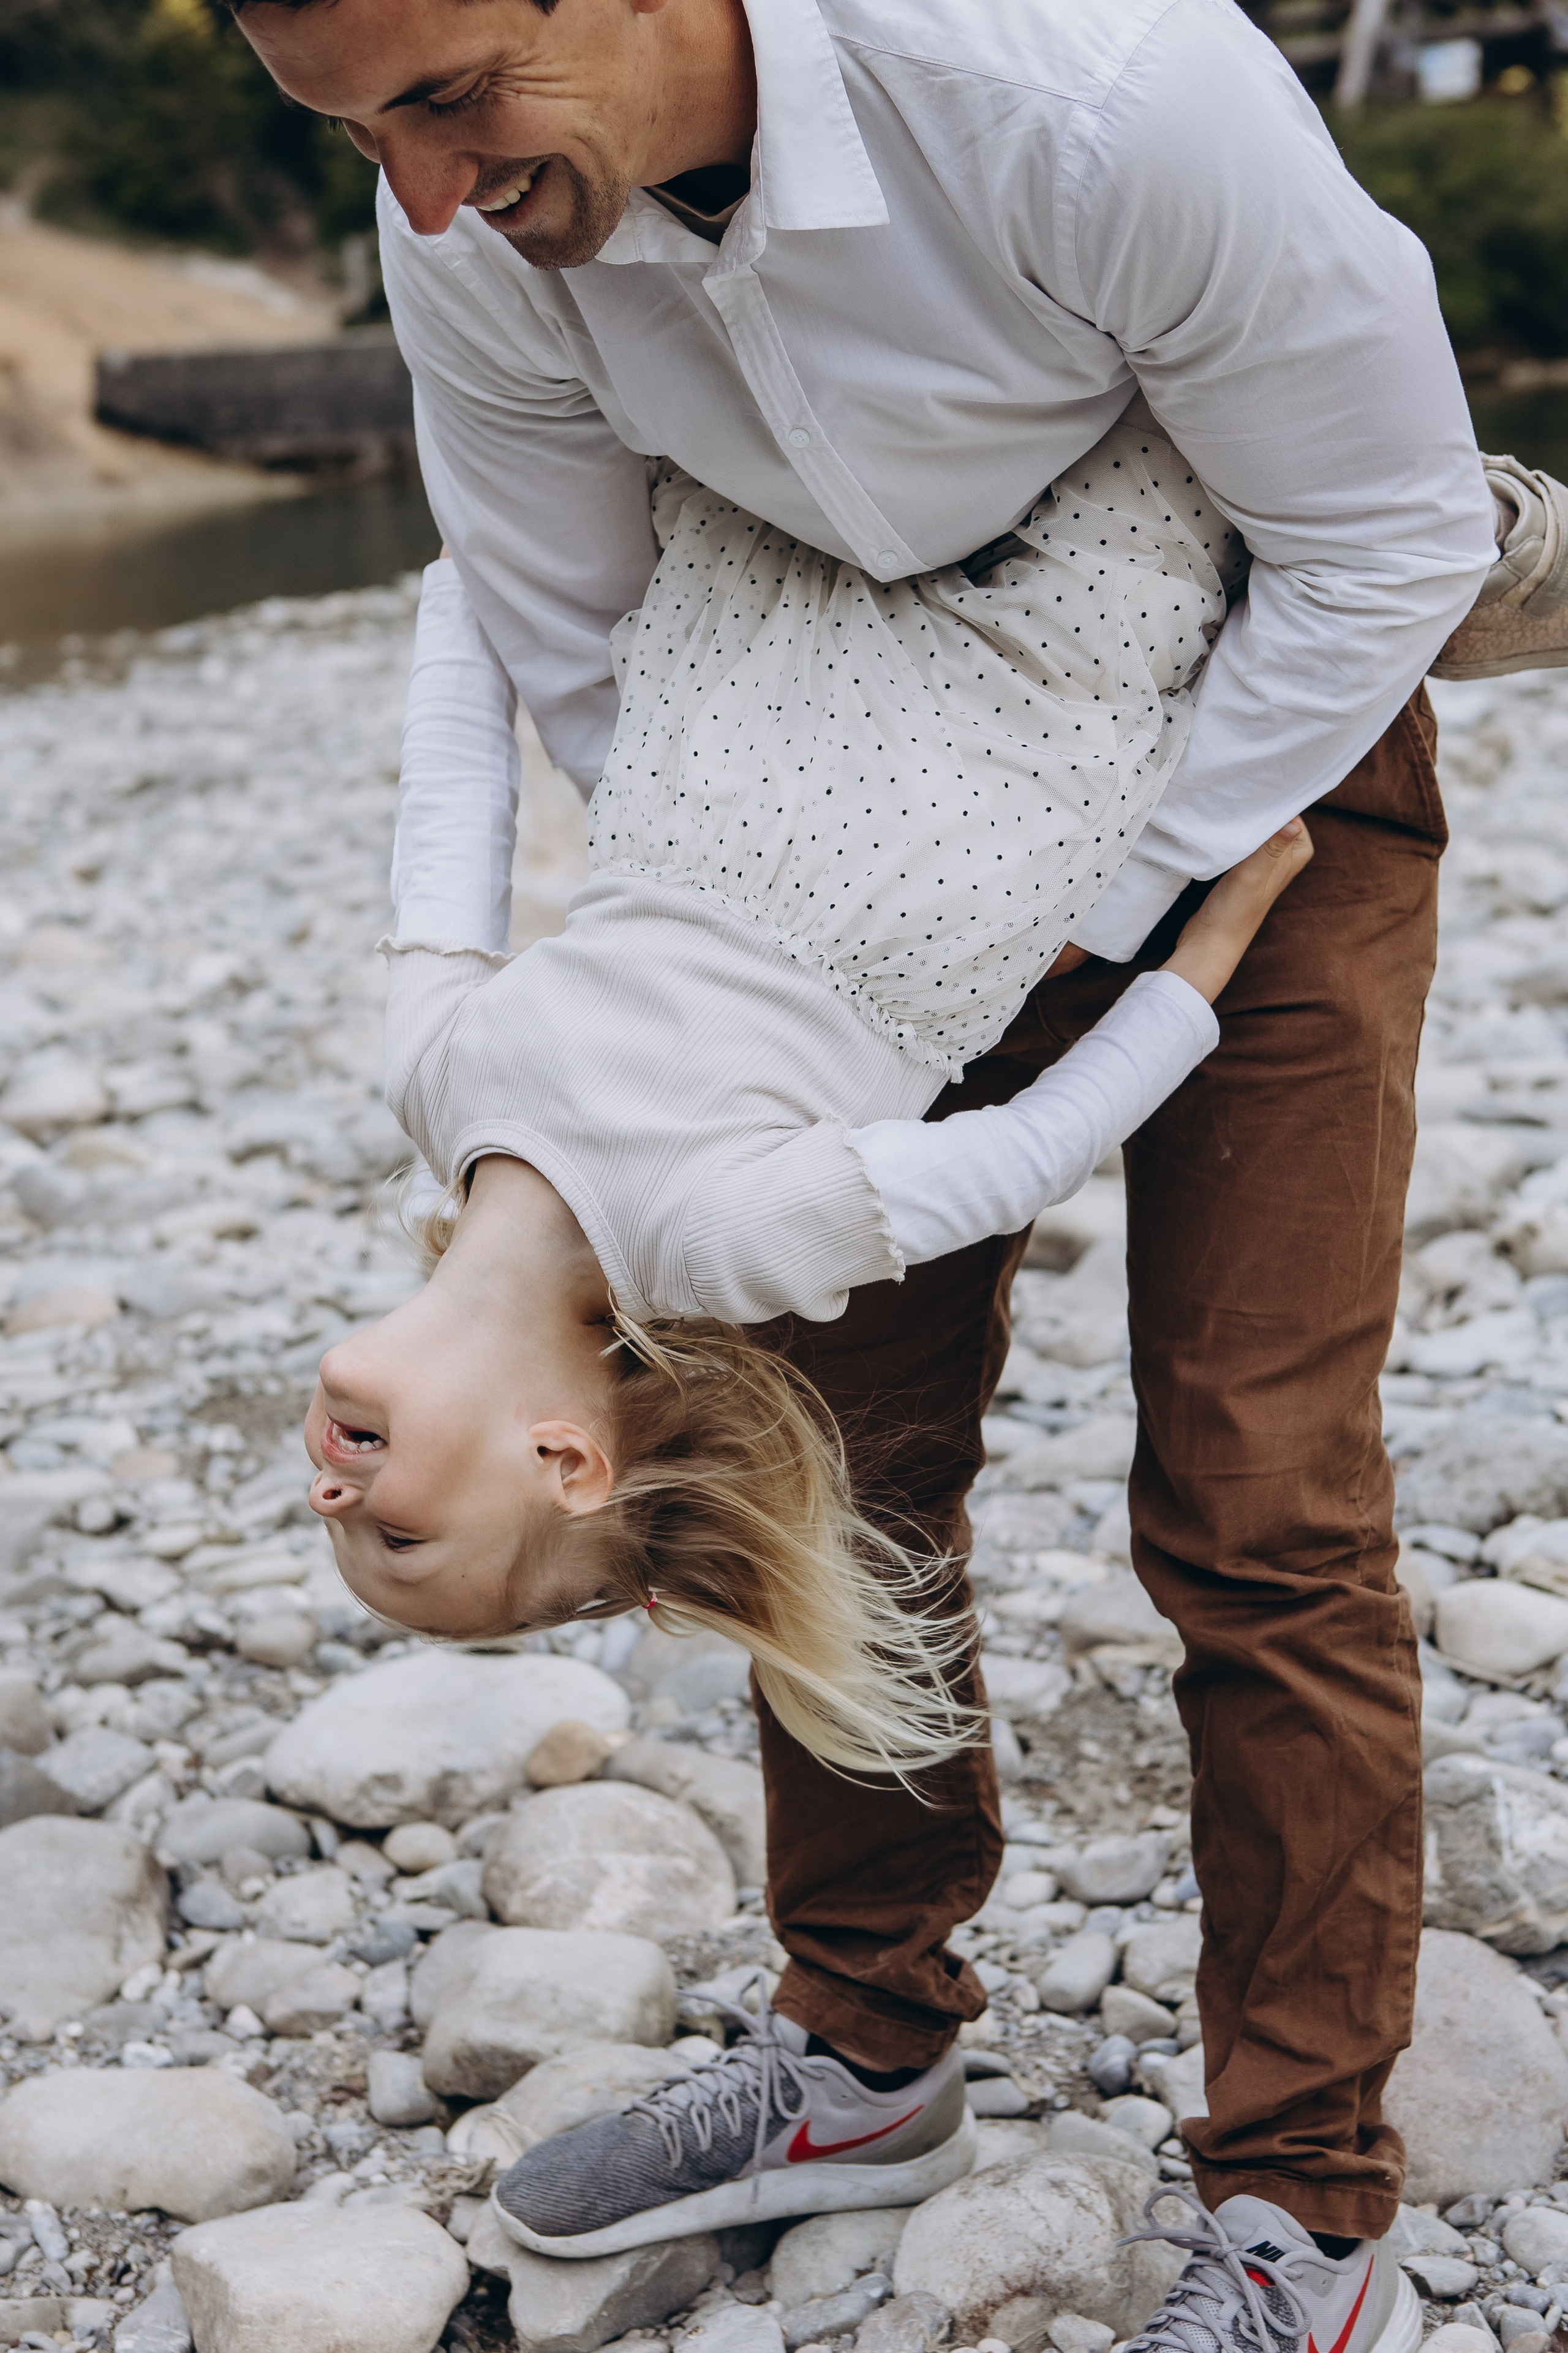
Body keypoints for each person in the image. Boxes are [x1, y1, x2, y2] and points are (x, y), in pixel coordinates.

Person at [226, 0, 1559, 2344]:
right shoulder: (454, 213)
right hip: (841, 856)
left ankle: (1307, 2186)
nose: (415, 196)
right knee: (838, 1466)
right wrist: (828, 901)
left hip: (1254, 752)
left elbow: (1367, 547)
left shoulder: (1100, 98)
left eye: (445, 102)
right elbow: (546, 622)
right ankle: (863, 2046)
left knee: (1260, 1489)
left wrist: (1097, 890)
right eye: (352, 131)